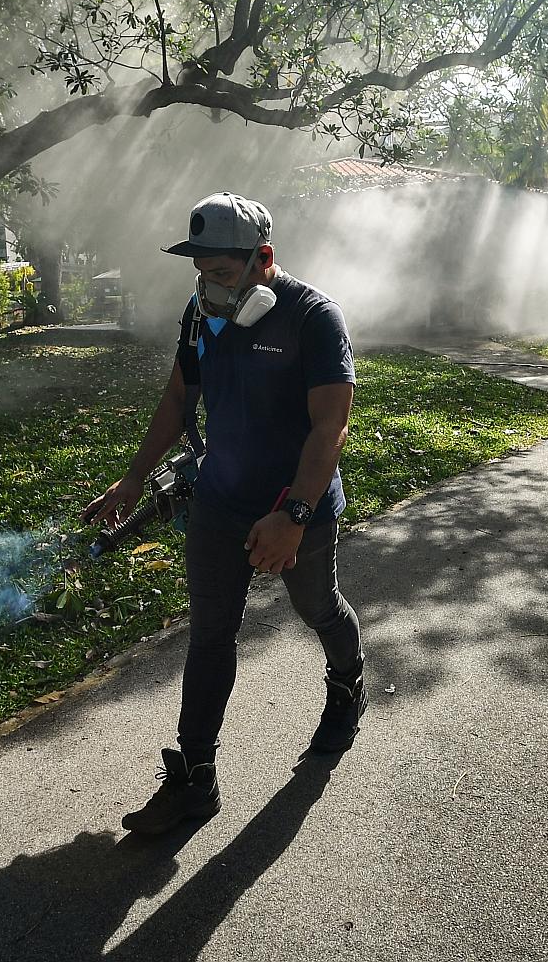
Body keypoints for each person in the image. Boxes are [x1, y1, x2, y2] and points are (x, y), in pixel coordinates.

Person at [82, 192, 364, 835]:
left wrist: (293, 515)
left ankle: (347, 685)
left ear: (264, 258)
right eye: (200, 271)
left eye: (223, 272)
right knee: (211, 636)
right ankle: (194, 780)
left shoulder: (312, 317)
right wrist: (131, 481)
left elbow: (330, 428)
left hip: (299, 508)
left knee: (318, 608)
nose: (209, 286)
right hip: (217, 503)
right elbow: (180, 396)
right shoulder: (199, 314)